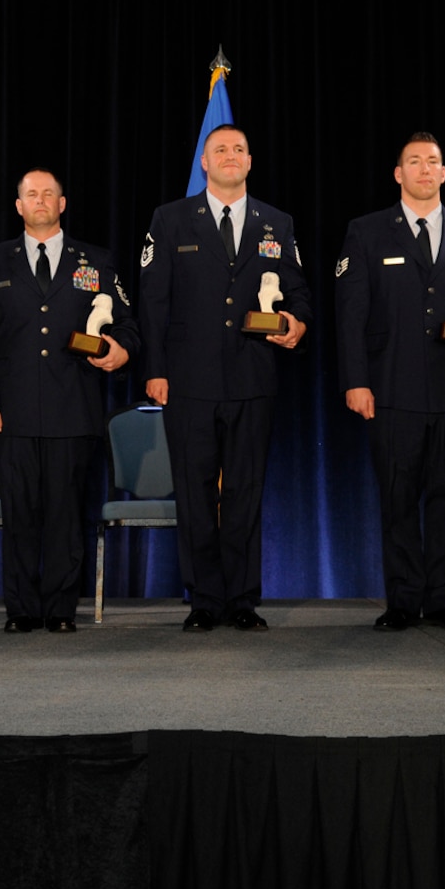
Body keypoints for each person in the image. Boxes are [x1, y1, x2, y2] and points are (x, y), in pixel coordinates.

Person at [333, 132, 445, 631]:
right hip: (391, 389)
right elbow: (351, 314)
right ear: (398, 173)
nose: (425, 170)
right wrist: (356, 381)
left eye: (433, 161)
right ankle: (404, 601)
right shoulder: (366, 233)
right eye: (414, 161)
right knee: (398, 498)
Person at [138, 124, 310, 632]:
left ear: (250, 162)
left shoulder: (278, 223)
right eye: (220, 150)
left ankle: (242, 599)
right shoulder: (169, 220)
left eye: (238, 149)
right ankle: (204, 600)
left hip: (253, 378)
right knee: (194, 493)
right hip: (188, 381)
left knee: (244, 492)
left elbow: (297, 291)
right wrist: (156, 372)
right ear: (204, 163)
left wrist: (298, 323)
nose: (230, 156)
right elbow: (153, 302)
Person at [0, 169, 139, 633]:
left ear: (62, 204)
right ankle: (21, 609)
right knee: (20, 515)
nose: (39, 200)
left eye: (48, 193)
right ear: (18, 206)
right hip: (12, 412)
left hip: (73, 409)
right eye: (30, 194)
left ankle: (61, 609)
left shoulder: (96, 262)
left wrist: (118, 350)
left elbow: (126, 327)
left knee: (65, 516)